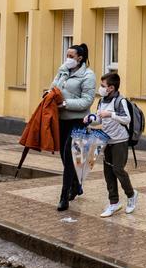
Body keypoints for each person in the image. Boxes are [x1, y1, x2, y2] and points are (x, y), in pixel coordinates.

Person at [51, 44, 95, 211]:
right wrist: (49, 95)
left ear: (80, 58)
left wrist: (65, 103)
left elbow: (87, 101)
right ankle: (76, 185)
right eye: (67, 55)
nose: (67, 58)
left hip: (78, 121)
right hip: (62, 119)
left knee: (69, 158)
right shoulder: (63, 70)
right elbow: (54, 87)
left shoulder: (88, 75)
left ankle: (64, 197)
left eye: (71, 56)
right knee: (64, 156)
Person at [93, 72, 137, 217]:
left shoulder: (120, 101)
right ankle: (114, 203)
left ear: (111, 87)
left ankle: (131, 195)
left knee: (118, 169)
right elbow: (100, 120)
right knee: (108, 172)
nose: (100, 88)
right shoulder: (102, 101)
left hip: (120, 141)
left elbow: (127, 119)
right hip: (107, 141)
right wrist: (90, 119)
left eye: (102, 86)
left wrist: (111, 114)